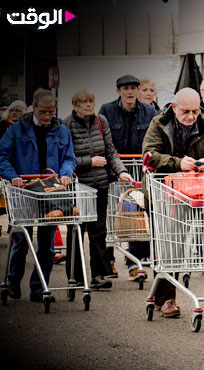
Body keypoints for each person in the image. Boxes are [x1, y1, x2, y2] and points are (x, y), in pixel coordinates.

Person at [142, 87, 204, 318]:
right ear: (174, 108)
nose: (191, 116)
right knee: (169, 244)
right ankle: (166, 299)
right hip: (166, 193)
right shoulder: (159, 123)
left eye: (195, 111)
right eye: (186, 112)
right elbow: (150, 154)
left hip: (198, 191)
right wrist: (178, 163)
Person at [0, 90, 76, 302]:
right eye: (43, 112)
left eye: (51, 112)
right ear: (33, 107)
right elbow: (2, 156)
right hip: (24, 190)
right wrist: (12, 176)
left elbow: (69, 158)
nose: (47, 116)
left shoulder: (62, 131)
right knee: (20, 240)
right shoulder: (16, 130)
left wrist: (66, 174)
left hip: (50, 192)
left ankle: (39, 288)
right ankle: (13, 282)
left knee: (47, 245)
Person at [63, 88, 134, 290]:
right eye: (84, 102)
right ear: (75, 106)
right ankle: (75, 276)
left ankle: (98, 275)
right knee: (76, 230)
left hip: (100, 185)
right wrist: (89, 161)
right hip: (78, 186)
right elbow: (65, 159)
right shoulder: (66, 125)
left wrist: (121, 171)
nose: (89, 105)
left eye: (91, 101)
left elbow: (110, 152)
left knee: (98, 231)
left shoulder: (101, 122)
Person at [99, 74, 158, 278]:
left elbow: (155, 138)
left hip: (137, 171)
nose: (130, 92)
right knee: (110, 216)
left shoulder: (149, 111)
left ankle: (135, 262)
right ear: (118, 91)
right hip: (114, 173)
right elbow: (102, 141)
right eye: (126, 88)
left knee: (136, 214)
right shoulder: (106, 111)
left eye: (133, 88)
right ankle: (109, 263)